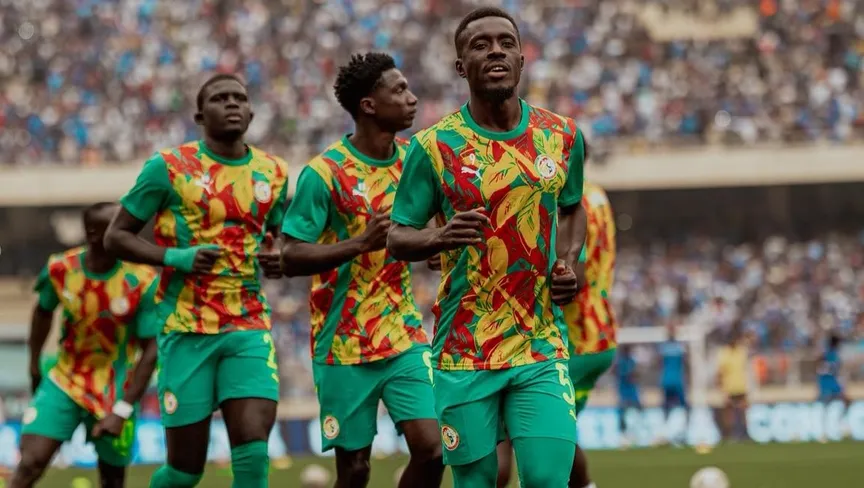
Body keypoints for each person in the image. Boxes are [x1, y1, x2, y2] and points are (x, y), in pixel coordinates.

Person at [387, 7, 585, 488]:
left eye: (506, 43)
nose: (496, 51)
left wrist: (567, 262)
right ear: (461, 67)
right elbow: (397, 237)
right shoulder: (433, 147)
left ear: (521, 59)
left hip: (540, 344)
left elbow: (572, 207)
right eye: (481, 45)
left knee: (548, 480)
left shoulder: (562, 136)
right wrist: (440, 236)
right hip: (465, 350)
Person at [103, 73, 289, 488]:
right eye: (220, 98)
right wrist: (176, 257)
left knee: (254, 449)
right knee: (185, 472)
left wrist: (276, 255)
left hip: (247, 324)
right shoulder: (168, 167)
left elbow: (274, 236)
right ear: (200, 116)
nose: (232, 104)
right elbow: (115, 237)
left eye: (239, 97)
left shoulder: (274, 171)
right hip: (185, 326)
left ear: (251, 112)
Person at [280, 52, 443, 488]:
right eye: (400, 90)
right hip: (342, 341)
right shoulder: (324, 173)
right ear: (369, 105)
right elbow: (290, 255)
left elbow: (430, 224)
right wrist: (358, 244)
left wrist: (437, 245)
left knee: (435, 449)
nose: (412, 98)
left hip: (402, 332)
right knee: (355, 471)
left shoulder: (415, 161)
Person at [11, 202, 160, 488]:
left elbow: (151, 348)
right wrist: (34, 365)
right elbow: (42, 313)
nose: (127, 233)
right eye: (118, 228)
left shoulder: (141, 280)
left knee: (112, 479)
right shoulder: (61, 268)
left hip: (115, 387)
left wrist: (123, 409)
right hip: (65, 379)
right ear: (94, 233)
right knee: (30, 462)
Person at [715, 325, 750, 442]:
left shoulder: (741, 351)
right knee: (729, 413)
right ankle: (729, 434)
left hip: (741, 386)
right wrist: (722, 389)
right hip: (729, 387)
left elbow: (744, 369)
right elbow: (720, 373)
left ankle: (745, 434)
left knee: (743, 411)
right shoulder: (724, 353)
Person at [658, 322, 688, 416]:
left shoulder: (665, 347)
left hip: (673, 379)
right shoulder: (679, 347)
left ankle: (684, 420)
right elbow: (685, 363)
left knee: (673, 405)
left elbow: (659, 363)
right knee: (672, 405)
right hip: (672, 380)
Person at [615, 345, 641, 443]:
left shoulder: (631, 361)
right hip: (624, 391)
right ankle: (623, 435)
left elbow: (635, 375)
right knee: (622, 412)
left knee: (637, 409)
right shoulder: (621, 362)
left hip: (632, 391)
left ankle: (635, 433)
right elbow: (629, 375)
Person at [817, 332, 847, 405]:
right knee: (841, 398)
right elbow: (834, 368)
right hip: (829, 379)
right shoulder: (833, 354)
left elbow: (820, 367)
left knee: (827, 400)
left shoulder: (825, 353)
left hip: (825, 379)